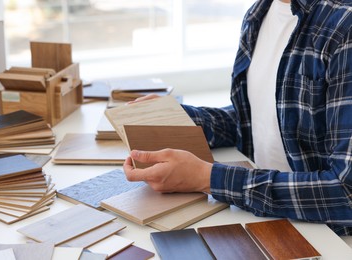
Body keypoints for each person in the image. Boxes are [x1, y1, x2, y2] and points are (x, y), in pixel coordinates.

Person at [123, 0, 352, 236]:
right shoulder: (259, 13)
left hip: (329, 235)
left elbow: (346, 192)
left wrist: (208, 178)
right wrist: (179, 119)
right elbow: (259, 120)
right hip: (268, 217)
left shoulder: (345, 26)